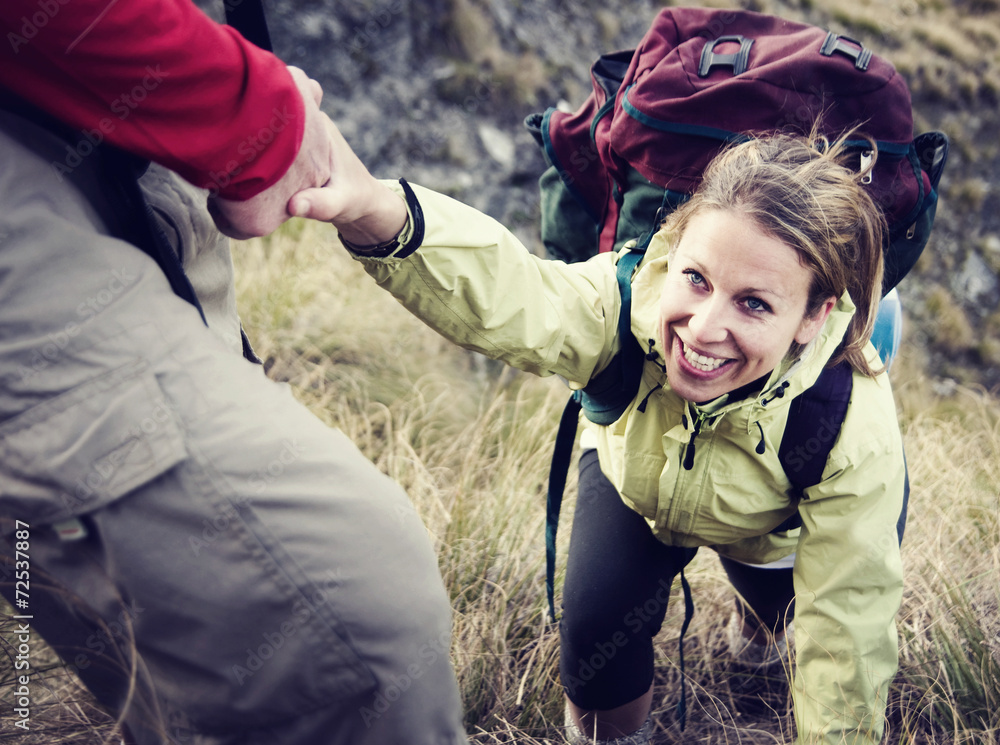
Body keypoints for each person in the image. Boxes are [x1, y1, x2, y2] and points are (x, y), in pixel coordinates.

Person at [293, 117, 908, 745]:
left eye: (754, 303)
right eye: (695, 278)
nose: (701, 330)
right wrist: (376, 211)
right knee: (595, 640)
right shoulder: (623, 298)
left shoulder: (849, 423)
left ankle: (756, 638)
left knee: (781, 612)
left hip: (772, 524)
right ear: (673, 250)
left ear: (814, 316)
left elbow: (849, 626)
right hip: (636, 484)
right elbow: (514, 293)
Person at [0, 2, 468, 744]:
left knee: (205, 645)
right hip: (52, 138)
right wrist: (257, 114)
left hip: (116, 141)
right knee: (364, 607)